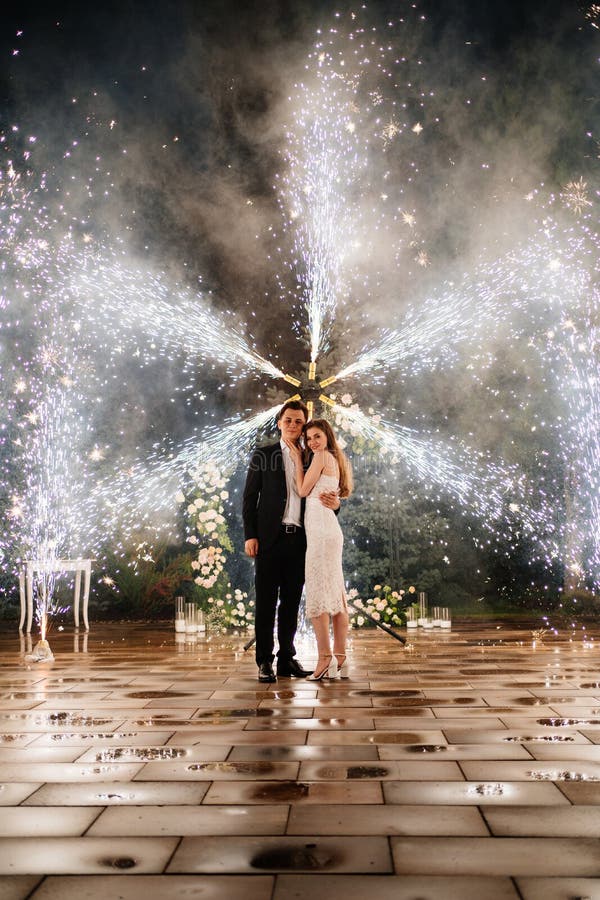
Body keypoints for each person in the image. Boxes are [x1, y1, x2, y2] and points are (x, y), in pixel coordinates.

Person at [243, 400, 340, 683]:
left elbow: (327, 493)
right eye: (288, 420)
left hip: (300, 540)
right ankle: (265, 661)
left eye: (299, 422)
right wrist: (250, 534)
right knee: (265, 602)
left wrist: (336, 505)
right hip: (269, 540)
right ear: (279, 422)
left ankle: (287, 658)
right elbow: (249, 499)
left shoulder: (313, 456)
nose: (294, 426)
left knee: (291, 603)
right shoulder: (264, 455)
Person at [284, 419, 353, 681]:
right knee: (335, 592)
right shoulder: (334, 458)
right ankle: (339, 655)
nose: (312, 442)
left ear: (327, 437)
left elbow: (302, 490)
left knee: (319, 593)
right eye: (309, 438)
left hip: (322, 533)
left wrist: (294, 457)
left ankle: (325, 657)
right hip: (327, 530)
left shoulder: (322, 456)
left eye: (317, 436)